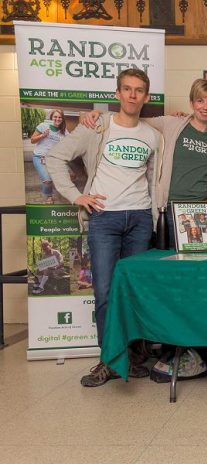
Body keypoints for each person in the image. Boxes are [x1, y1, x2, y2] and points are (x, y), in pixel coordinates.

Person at [46, 68, 161, 387]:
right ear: (117, 94)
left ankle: (134, 357)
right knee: (106, 292)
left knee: (134, 292)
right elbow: (55, 158)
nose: (133, 95)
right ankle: (108, 360)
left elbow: (153, 177)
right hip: (105, 219)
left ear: (146, 97)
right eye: (127, 89)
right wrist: (77, 196)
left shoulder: (152, 135)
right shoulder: (97, 127)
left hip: (139, 219)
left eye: (139, 90)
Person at [82, 79, 207, 248]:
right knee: (174, 264)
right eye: (200, 100)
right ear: (191, 103)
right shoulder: (172, 123)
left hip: (202, 210)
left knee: (198, 265)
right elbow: (132, 119)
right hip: (172, 208)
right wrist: (101, 114)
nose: (205, 107)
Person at [30, 109, 68, 204]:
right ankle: (49, 195)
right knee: (47, 180)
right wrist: (43, 135)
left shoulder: (64, 131)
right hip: (39, 157)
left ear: (62, 119)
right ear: (51, 118)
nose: (57, 119)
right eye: (55, 117)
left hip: (54, 159)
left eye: (60, 117)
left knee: (68, 177)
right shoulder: (43, 126)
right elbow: (32, 140)